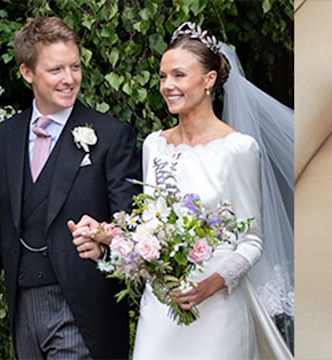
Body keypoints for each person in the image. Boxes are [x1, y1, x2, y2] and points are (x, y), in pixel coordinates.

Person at [71, 22, 294, 359]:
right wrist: (105, 235)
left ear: (209, 80)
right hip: (162, 307)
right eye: (163, 76)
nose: (167, 86)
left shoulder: (238, 149)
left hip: (218, 308)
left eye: (178, 75)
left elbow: (252, 241)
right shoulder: (154, 145)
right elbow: (148, 232)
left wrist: (211, 284)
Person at [0, 16, 141, 359]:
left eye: (75, 67)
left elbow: (133, 226)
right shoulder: (4, 137)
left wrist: (105, 244)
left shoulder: (111, 136)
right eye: (56, 70)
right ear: (27, 73)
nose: (69, 79)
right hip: (24, 311)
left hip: (84, 312)